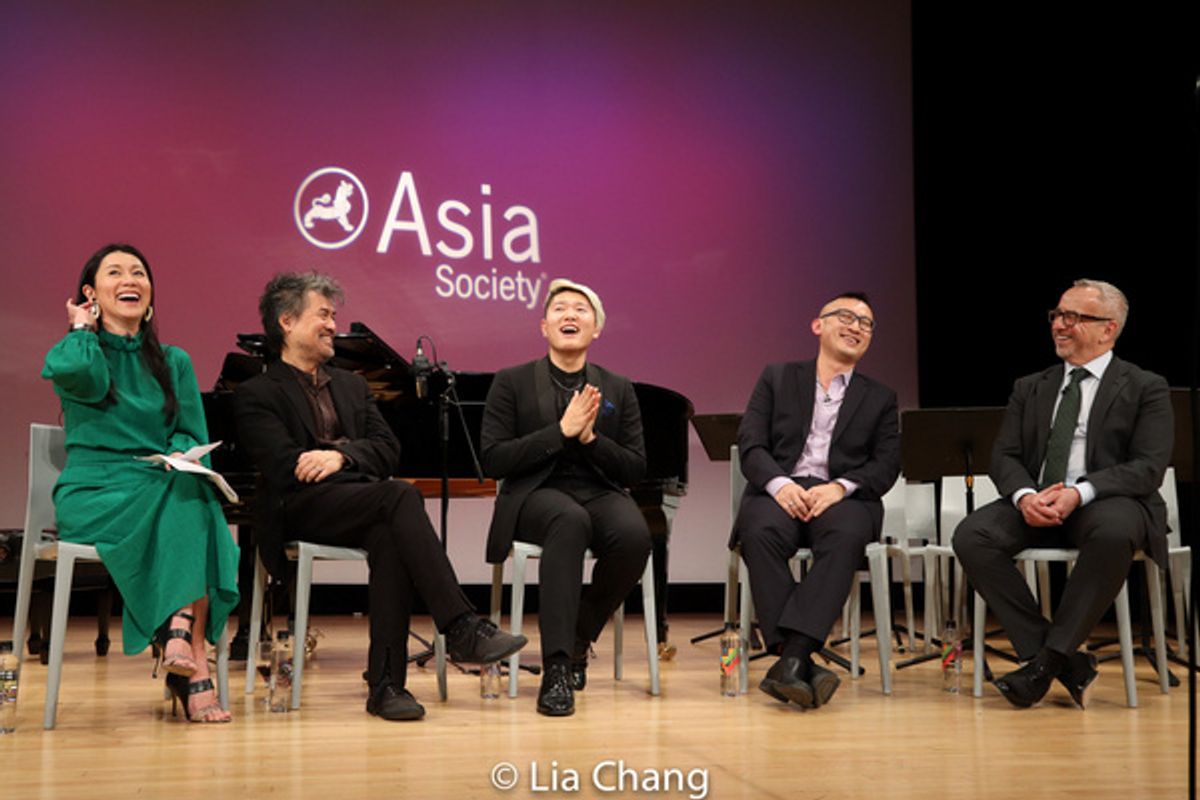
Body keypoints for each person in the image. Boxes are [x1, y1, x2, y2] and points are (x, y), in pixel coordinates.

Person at [233, 271, 527, 721]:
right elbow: (285, 466)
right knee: (397, 499)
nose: (334, 325)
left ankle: (387, 686)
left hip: (359, 502)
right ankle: (461, 626)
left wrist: (340, 458)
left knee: (390, 529)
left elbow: (389, 450)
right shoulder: (256, 393)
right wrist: (349, 459)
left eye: (334, 315)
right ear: (287, 321)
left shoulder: (351, 385)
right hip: (296, 509)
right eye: (324, 315)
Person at [42, 243, 240, 723]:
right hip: (94, 493)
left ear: (150, 294)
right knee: (196, 505)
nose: (129, 279)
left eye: (138, 273)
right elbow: (79, 379)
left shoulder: (174, 361)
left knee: (194, 487)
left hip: (156, 481)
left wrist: (178, 450)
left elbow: (192, 429)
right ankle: (193, 657)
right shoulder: (79, 348)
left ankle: (182, 639)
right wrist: (82, 327)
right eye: (115, 272)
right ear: (91, 293)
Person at [953, 279, 1172, 709]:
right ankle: (1063, 661)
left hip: (1108, 501)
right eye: (1057, 315)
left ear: (1108, 329)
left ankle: (1045, 662)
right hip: (1037, 499)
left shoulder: (1145, 386)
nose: (1059, 325)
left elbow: (1147, 467)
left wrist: (1080, 492)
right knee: (972, 535)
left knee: (1113, 533)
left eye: (1073, 318)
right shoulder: (1030, 386)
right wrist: (1023, 497)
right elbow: (1005, 456)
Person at [480, 279, 651, 716]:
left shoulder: (618, 386)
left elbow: (634, 467)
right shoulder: (511, 381)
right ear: (543, 326)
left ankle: (576, 639)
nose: (570, 315)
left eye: (581, 309)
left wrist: (591, 439)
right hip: (535, 493)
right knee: (568, 520)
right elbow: (494, 459)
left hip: (598, 489)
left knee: (634, 535)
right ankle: (556, 670)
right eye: (560, 309)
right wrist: (559, 432)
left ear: (596, 330)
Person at [732, 291, 900, 709]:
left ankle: (791, 659)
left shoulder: (880, 397)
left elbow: (886, 465)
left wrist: (839, 487)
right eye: (845, 316)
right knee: (760, 530)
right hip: (781, 487)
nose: (856, 326)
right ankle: (802, 660)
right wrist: (781, 486)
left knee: (845, 538)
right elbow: (751, 445)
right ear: (818, 325)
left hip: (843, 495)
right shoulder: (777, 377)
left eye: (865, 323)